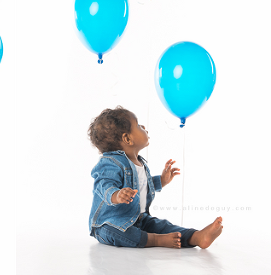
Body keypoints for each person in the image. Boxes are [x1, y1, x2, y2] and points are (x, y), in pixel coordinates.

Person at [88, 106, 222, 248]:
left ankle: (196, 237)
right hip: (110, 222)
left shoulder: (139, 162)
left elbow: (142, 186)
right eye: (138, 125)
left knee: (162, 225)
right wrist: (116, 194)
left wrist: (162, 180)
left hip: (138, 218)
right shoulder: (110, 162)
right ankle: (156, 240)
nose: (144, 127)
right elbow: (103, 185)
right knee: (118, 232)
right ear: (127, 139)